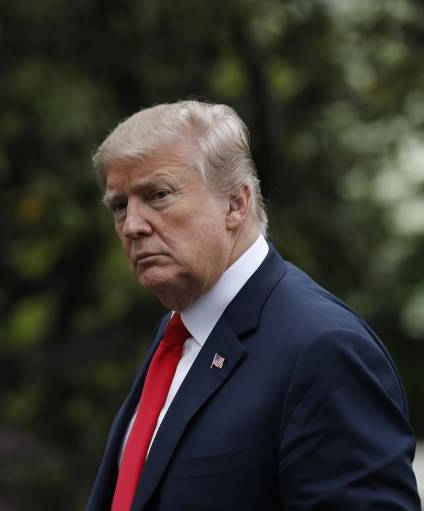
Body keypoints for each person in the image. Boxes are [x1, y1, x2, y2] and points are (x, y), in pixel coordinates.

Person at [85, 100, 420, 511]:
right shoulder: (178, 331)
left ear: (236, 204)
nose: (133, 225)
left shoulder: (325, 348)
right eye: (119, 206)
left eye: (157, 195)